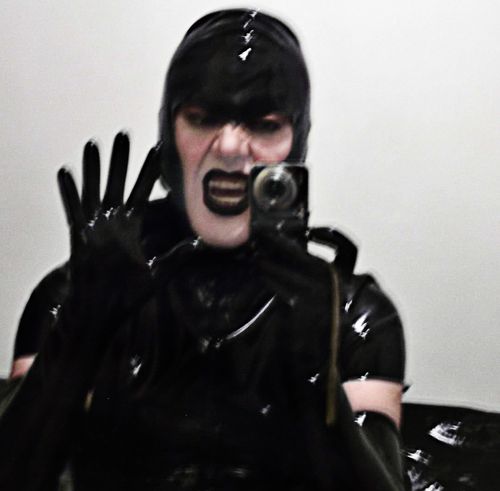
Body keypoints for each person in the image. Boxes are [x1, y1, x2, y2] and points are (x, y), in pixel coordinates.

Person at [0, 9, 407, 491]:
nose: (231, 146)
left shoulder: (350, 316)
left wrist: (312, 368)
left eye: (264, 124)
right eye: (202, 117)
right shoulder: (73, 296)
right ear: (168, 135)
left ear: (296, 142)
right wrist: (80, 331)